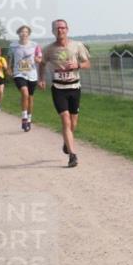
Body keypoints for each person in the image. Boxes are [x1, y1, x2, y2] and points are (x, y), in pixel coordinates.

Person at [39, 19, 91, 168]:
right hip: (58, 88)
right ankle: (72, 155)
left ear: (67, 29)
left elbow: (88, 63)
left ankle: (66, 142)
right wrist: (41, 78)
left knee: (74, 122)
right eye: (57, 28)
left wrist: (78, 65)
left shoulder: (77, 46)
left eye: (62, 28)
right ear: (53, 31)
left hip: (74, 87)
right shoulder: (48, 49)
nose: (60, 30)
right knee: (66, 120)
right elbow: (42, 63)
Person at [10, 25, 43, 132]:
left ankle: (29, 119)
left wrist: (37, 59)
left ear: (29, 34)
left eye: (26, 32)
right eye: (21, 32)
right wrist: (8, 69)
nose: (23, 34)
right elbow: (9, 58)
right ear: (18, 33)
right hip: (19, 73)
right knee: (25, 93)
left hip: (32, 74)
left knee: (30, 97)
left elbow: (40, 59)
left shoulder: (35, 45)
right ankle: (24, 118)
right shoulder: (13, 46)